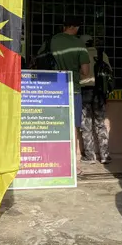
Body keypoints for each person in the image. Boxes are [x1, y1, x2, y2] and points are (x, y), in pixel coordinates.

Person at [45, 16, 91, 147]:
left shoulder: (52, 40)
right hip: (72, 88)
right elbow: (85, 71)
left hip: (52, 87)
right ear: (74, 27)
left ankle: (53, 158)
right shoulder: (79, 44)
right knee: (72, 126)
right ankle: (74, 163)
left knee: (53, 123)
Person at [79, 35, 112, 164]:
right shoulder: (102, 54)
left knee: (85, 124)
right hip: (99, 92)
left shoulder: (81, 54)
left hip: (85, 90)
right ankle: (105, 155)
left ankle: (89, 155)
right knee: (100, 123)